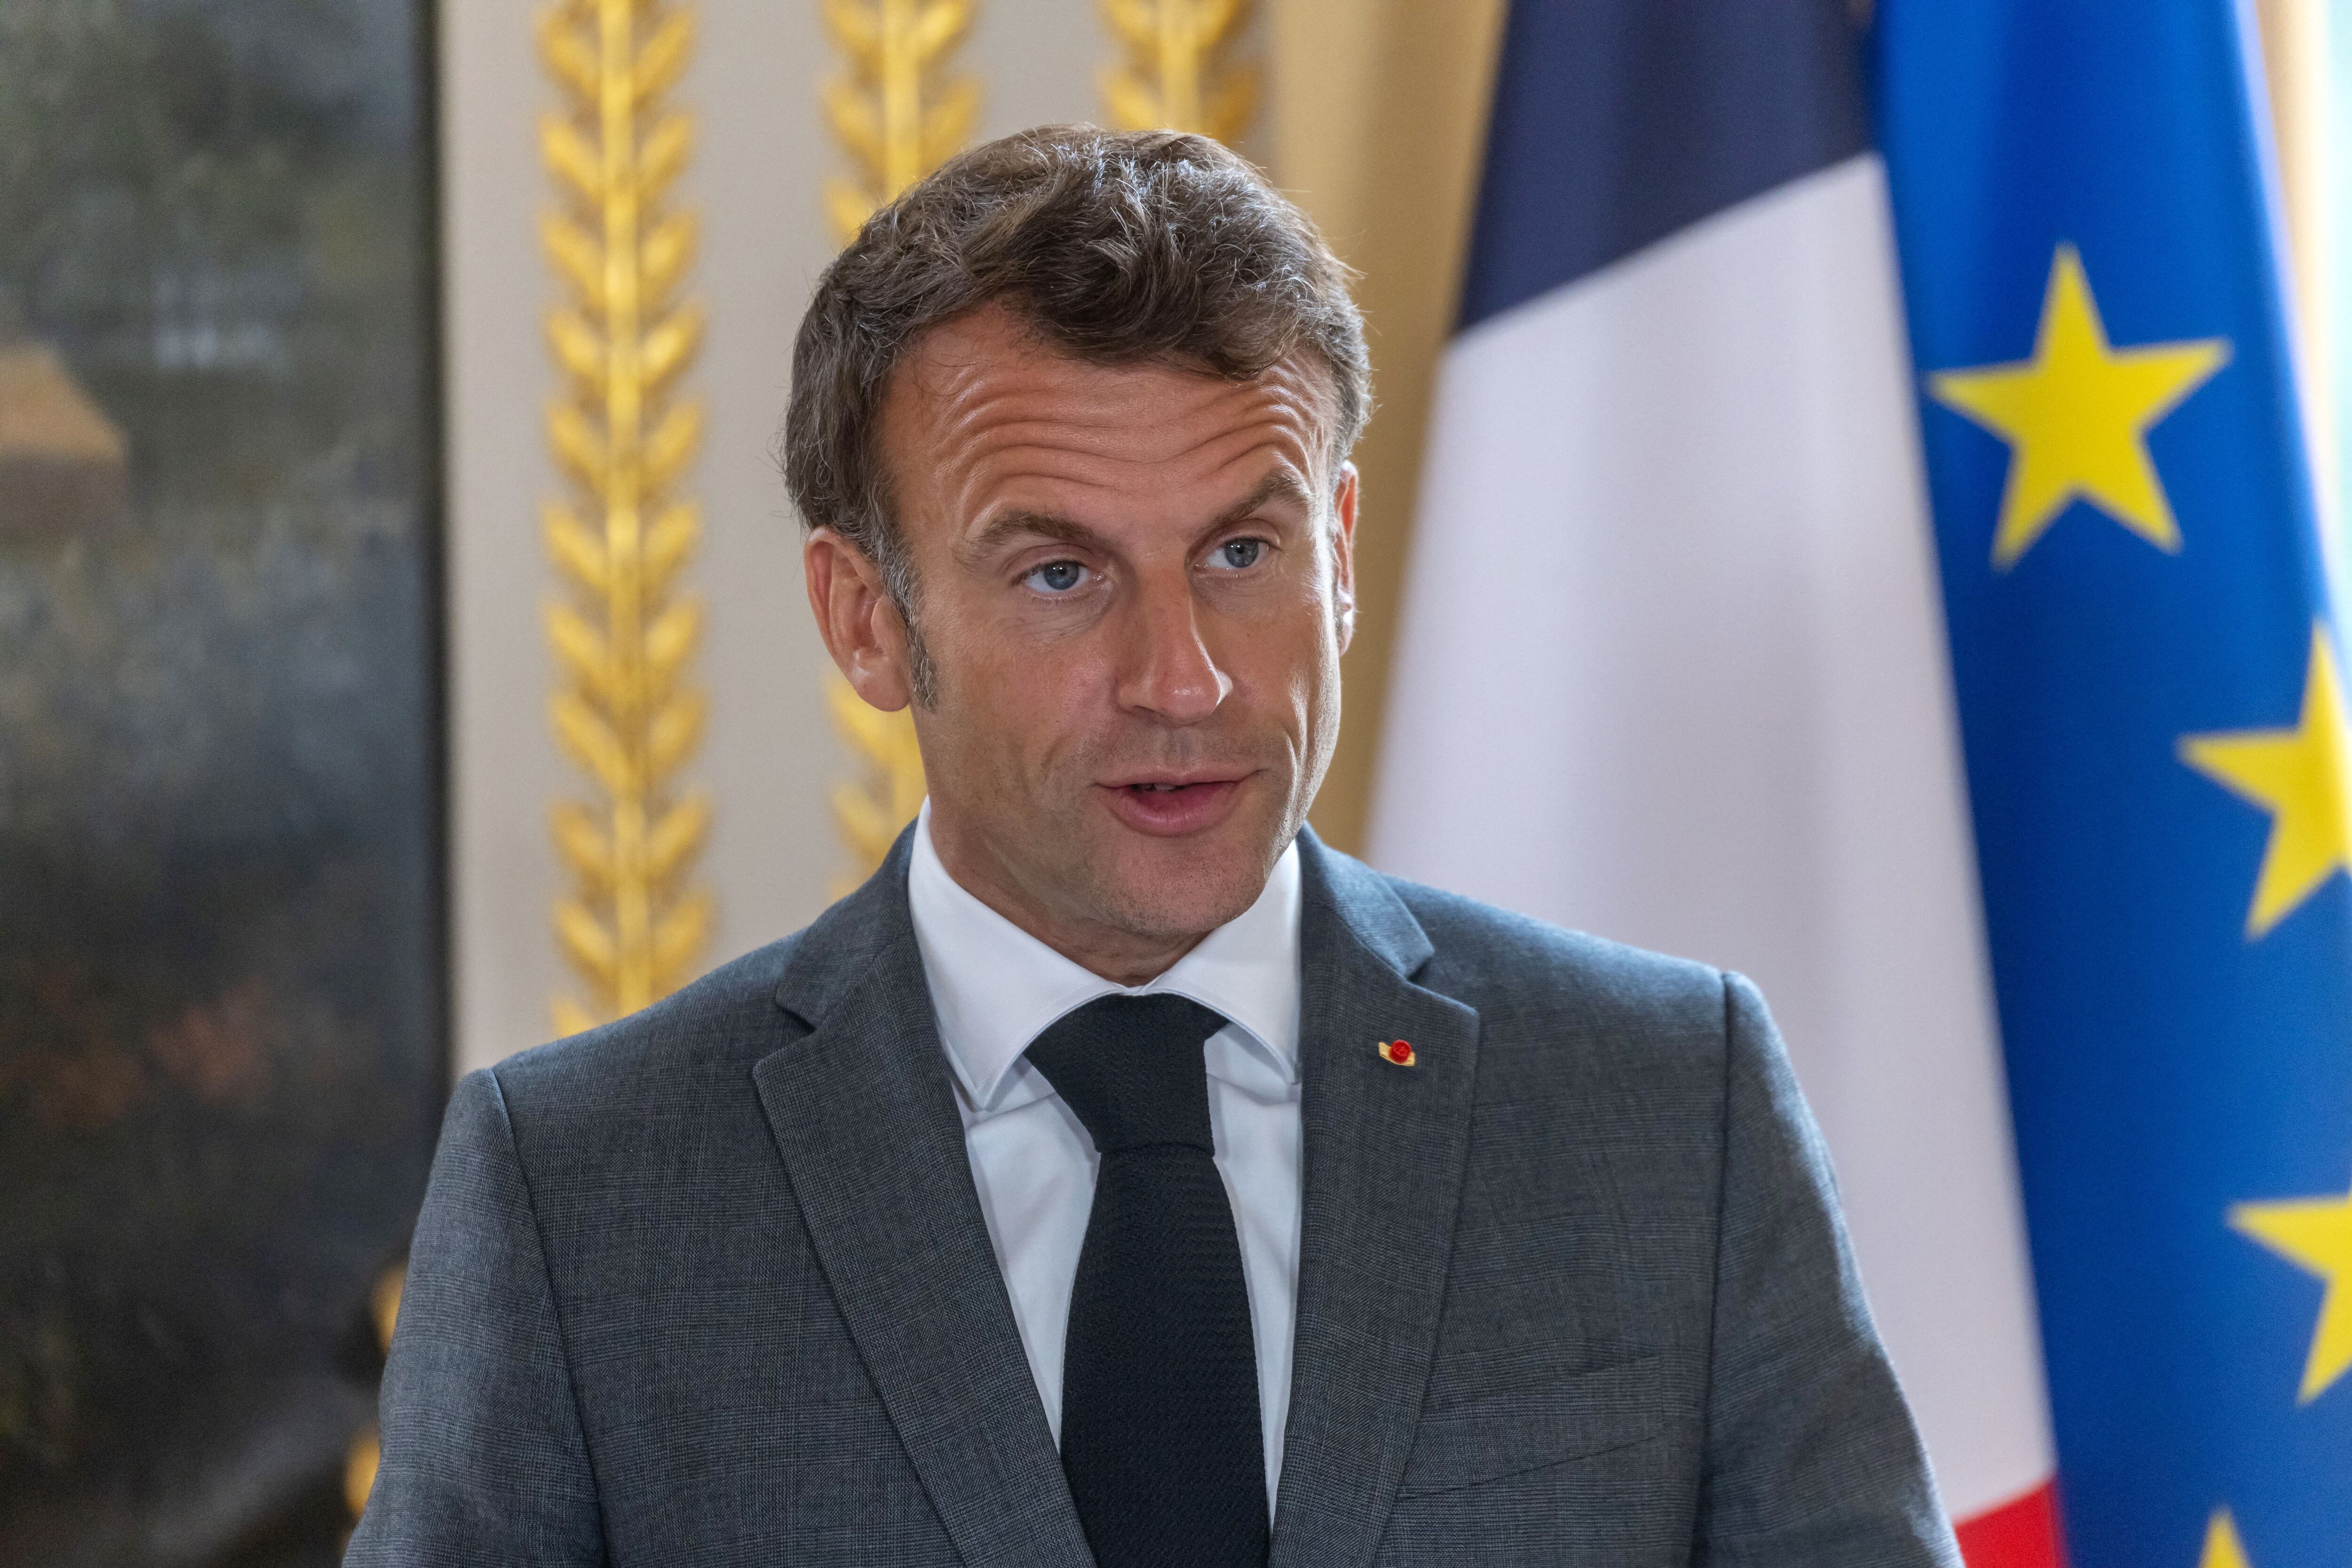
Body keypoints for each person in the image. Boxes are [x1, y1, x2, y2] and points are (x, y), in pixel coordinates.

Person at [349, 126, 1961, 1568]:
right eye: (1061, 575)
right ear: (865, 621)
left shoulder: (1672, 1106)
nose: (1184, 681)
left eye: (1243, 551)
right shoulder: (578, 1193)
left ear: (1338, 554)